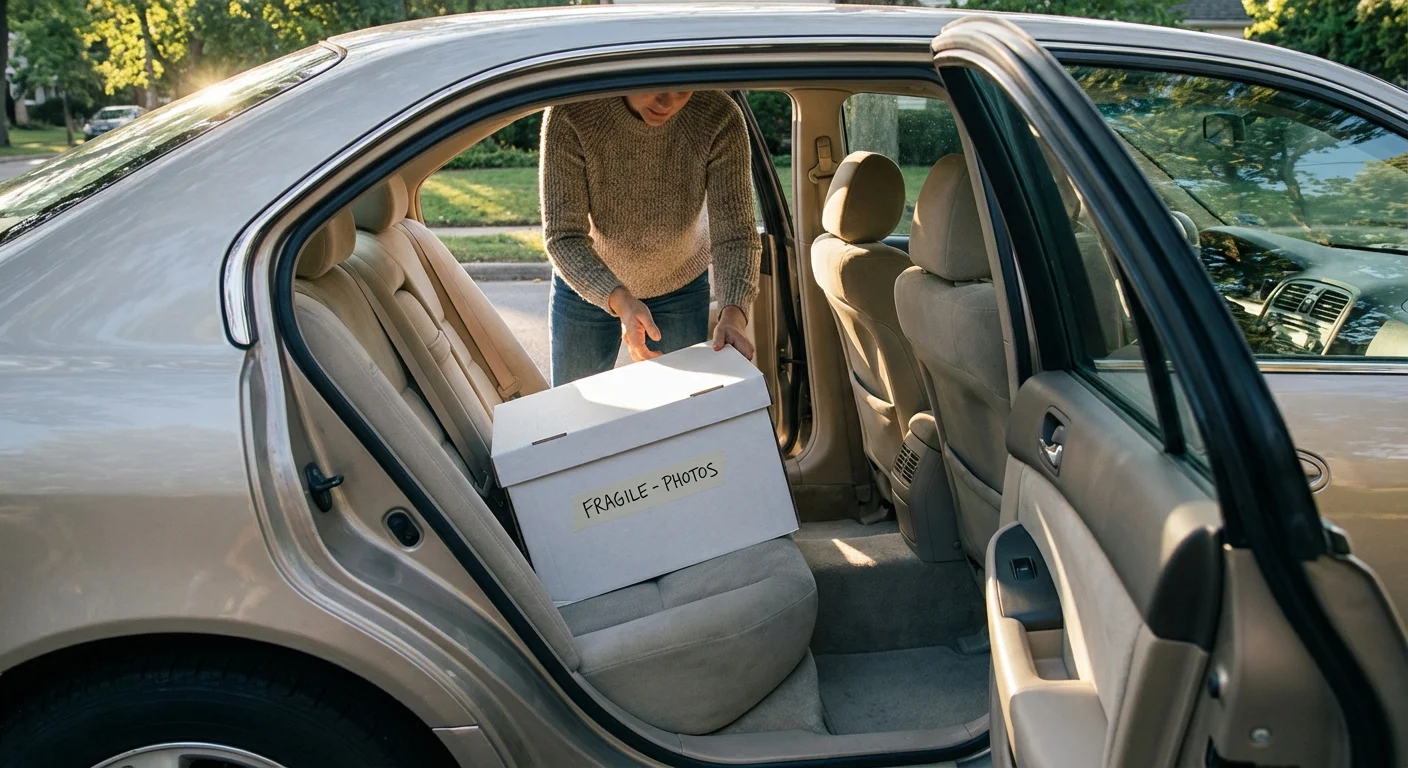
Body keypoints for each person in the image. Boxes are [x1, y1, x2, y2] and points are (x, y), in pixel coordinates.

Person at [539, 90, 762, 386]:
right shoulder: (571, 112)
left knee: (681, 408)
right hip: (587, 283)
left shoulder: (719, 116)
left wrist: (734, 313)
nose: (667, 103)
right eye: (656, 88)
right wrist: (621, 300)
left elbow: (736, 235)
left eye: (683, 90)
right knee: (572, 411)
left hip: (680, 284)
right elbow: (563, 236)